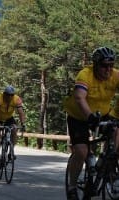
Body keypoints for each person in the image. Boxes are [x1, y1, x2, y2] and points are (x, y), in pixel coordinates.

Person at [63, 46, 118, 199]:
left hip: (103, 114)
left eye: (111, 65)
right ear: (95, 64)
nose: (108, 69)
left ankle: (106, 163)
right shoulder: (85, 75)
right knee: (81, 152)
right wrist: (90, 118)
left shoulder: (115, 75)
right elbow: (80, 97)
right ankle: (73, 186)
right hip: (79, 116)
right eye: (104, 65)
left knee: (116, 133)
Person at [0, 85, 26, 168]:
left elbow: (21, 113)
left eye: (11, 95)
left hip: (8, 119)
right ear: (4, 94)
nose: (10, 97)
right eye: (8, 95)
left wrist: (23, 124)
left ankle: (11, 152)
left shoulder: (16, 99)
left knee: (14, 130)